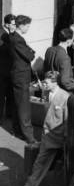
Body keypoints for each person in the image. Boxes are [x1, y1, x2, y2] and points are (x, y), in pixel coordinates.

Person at [20, 71, 71, 186]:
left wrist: (65, 140)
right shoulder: (46, 93)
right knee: (39, 164)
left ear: (55, 82)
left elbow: (67, 121)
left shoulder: (65, 97)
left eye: (46, 82)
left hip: (60, 139)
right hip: (47, 138)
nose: (44, 84)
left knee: (63, 171)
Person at [8, 15, 37, 146]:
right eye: (28, 26)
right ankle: (29, 136)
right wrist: (30, 52)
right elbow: (30, 55)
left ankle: (17, 129)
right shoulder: (18, 40)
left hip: (16, 74)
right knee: (24, 106)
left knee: (17, 103)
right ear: (22, 25)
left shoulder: (13, 36)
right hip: (21, 75)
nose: (29, 28)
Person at [0, 14, 16, 122]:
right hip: (3, 69)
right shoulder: (2, 35)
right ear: (6, 24)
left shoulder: (10, 33)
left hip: (10, 69)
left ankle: (9, 113)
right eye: (13, 24)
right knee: (1, 94)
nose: (15, 26)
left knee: (10, 92)